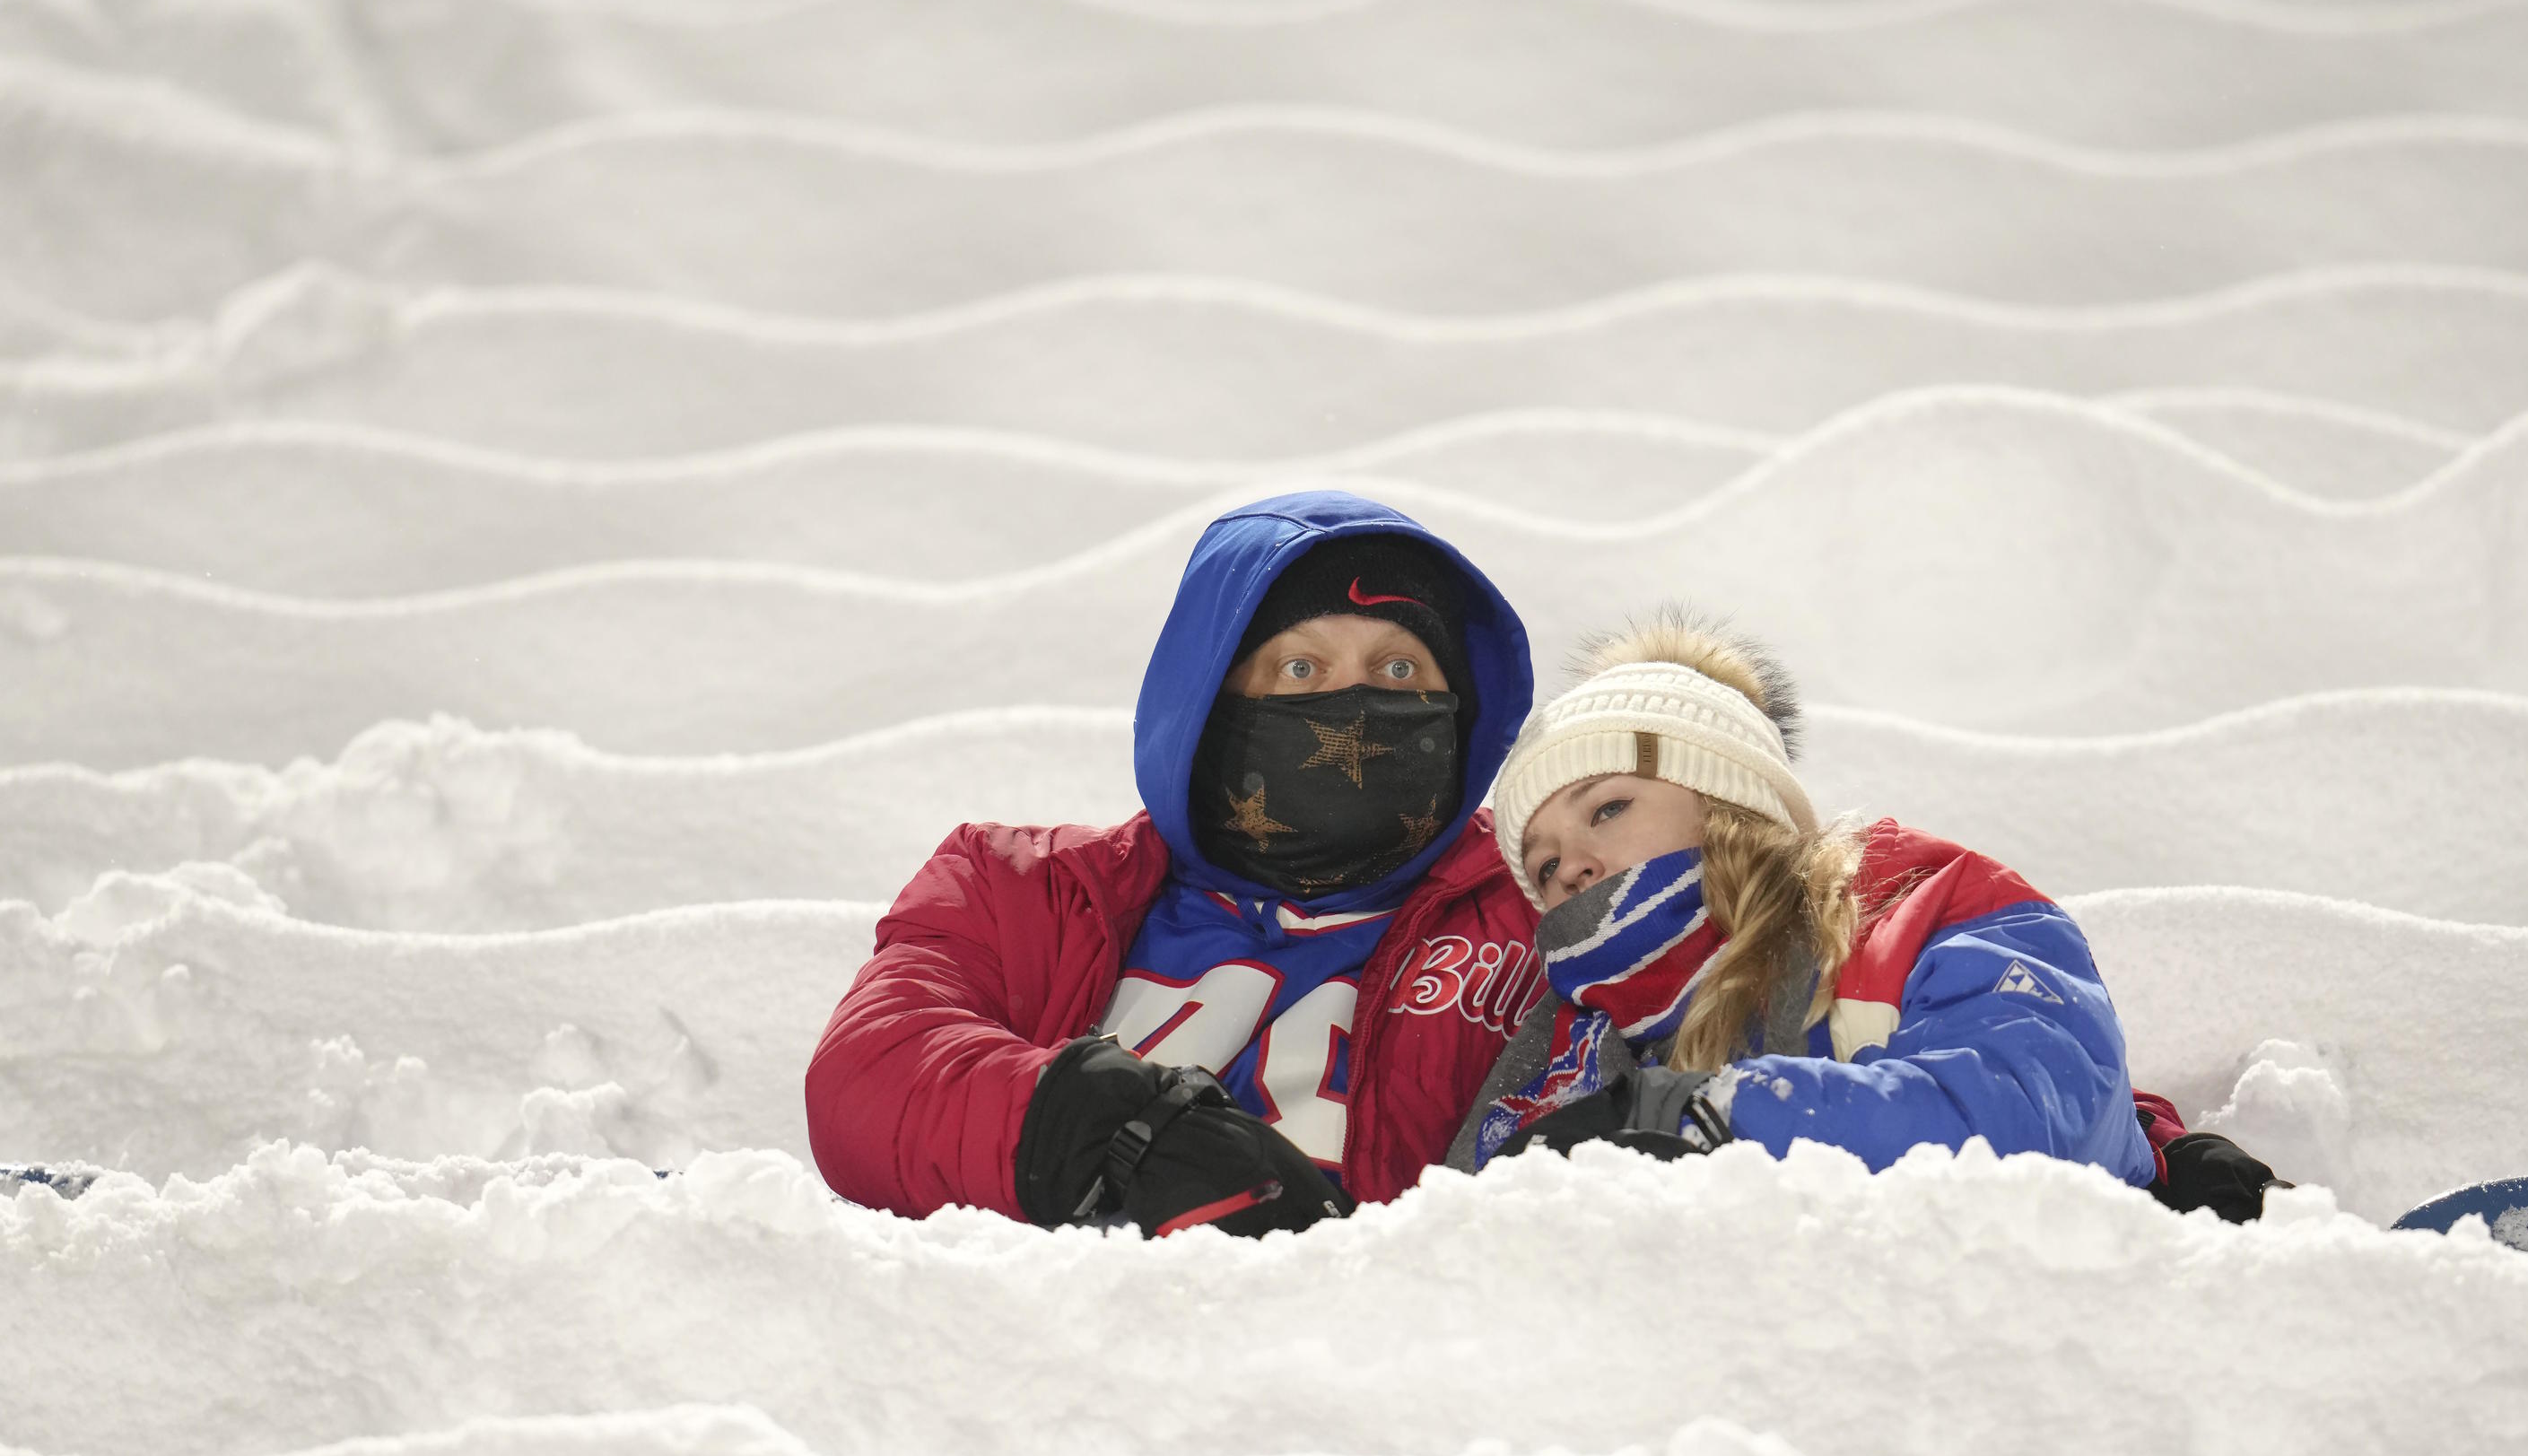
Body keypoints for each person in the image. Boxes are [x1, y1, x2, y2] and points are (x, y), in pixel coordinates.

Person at [805, 490, 1547, 1237]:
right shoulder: (1023, 888)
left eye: (1397, 668)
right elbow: (869, 1078)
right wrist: (1138, 1135)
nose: (1353, 700)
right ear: (1208, 700)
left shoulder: (1537, 900)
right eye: (1299, 667)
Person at [1452, 614, 2285, 1220]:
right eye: (1545, 864)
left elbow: (2033, 1118)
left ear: (1726, 797)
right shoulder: (1567, 1049)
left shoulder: (1927, 910)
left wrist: (1721, 1117)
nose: (1576, 869)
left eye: (1607, 809)